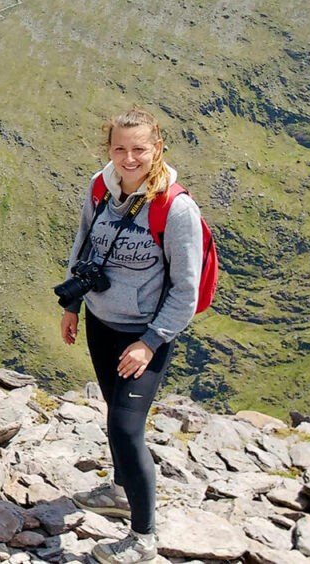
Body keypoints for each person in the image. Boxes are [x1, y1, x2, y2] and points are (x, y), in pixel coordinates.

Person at [59, 106, 204, 564]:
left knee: (125, 429)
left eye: (139, 149)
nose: (129, 158)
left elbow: (186, 289)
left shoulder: (175, 207)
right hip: (101, 323)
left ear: (157, 148)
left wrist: (150, 342)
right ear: (108, 148)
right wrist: (72, 304)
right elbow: (83, 243)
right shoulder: (101, 187)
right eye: (119, 148)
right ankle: (120, 492)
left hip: (143, 334)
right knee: (114, 414)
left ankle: (143, 538)